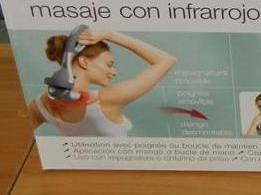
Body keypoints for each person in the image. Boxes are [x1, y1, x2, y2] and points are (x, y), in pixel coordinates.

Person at [28, 28, 176, 137]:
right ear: (84, 62)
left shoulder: (41, 103)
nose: (114, 72)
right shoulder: (108, 99)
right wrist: (109, 34)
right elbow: (166, 60)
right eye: (109, 64)